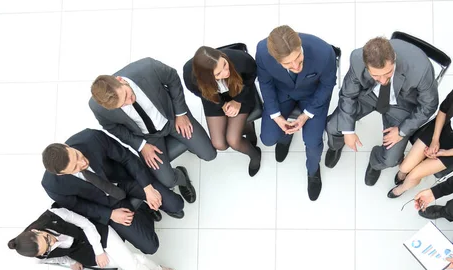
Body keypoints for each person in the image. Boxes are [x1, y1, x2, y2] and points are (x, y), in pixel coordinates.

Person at [89, 57, 216, 206]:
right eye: (122, 105)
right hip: (147, 137)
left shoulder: (147, 67)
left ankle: (191, 143)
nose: (129, 102)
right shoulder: (97, 107)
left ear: (120, 80)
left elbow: (173, 79)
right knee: (168, 181)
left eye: (127, 95)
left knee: (209, 154)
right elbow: (113, 127)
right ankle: (181, 176)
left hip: (172, 117)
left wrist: (180, 113)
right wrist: (141, 145)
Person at [41, 129, 180, 254]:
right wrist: (110, 214)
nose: (82, 163)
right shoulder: (52, 185)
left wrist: (147, 187)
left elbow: (127, 158)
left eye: (77, 156)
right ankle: (144, 210)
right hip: (108, 205)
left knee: (176, 205)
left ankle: (179, 174)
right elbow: (79, 206)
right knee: (150, 247)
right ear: (61, 174)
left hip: (126, 180)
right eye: (74, 168)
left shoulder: (91, 138)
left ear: (67, 147)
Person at [325, 36, 438, 187]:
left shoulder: (421, 69)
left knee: (390, 159)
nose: (383, 80)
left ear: (394, 58)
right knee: (333, 126)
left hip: (401, 103)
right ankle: (336, 146)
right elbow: (348, 94)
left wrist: (401, 131)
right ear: (366, 66)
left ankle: (375, 163)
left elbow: (429, 105)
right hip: (369, 95)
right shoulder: (357, 58)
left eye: (388, 73)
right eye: (376, 76)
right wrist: (348, 131)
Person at [8, 207, 182, 270]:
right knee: (135, 260)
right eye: (47, 248)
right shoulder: (38, 257)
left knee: (131, 266)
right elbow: (57, 258)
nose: (52, 243)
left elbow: (86, 224)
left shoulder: (53, 215)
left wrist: (99, 250)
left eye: (47, 238)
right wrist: (70, 262)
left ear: (37, 230)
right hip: (84, 254)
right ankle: (158, 269)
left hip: (98, 235)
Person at [256, 26, 337, 201]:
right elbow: (265, 83)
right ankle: (286, 136)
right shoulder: (263, 52)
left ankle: (313, 170)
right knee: (268, 139)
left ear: (300, 45)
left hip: (313, 97)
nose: (295, 66)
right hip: (282, 93)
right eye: (288, 64)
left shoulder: (324, 52)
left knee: (312, 141)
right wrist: (276, 116)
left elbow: (327, 85)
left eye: (298, 58)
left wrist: (307, 114)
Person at [183, 46, 261, 177]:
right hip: (214, 98)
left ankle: (255, 155)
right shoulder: (190, 75)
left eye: (224, 64)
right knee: (219, 144)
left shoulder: (241, 60)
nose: (226, 72)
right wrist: (221, 103)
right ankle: (247, 128)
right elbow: (200, 93)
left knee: (234, 141)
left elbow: (251, 78)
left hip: (239, 91)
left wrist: (237, 101)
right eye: (218, 74)